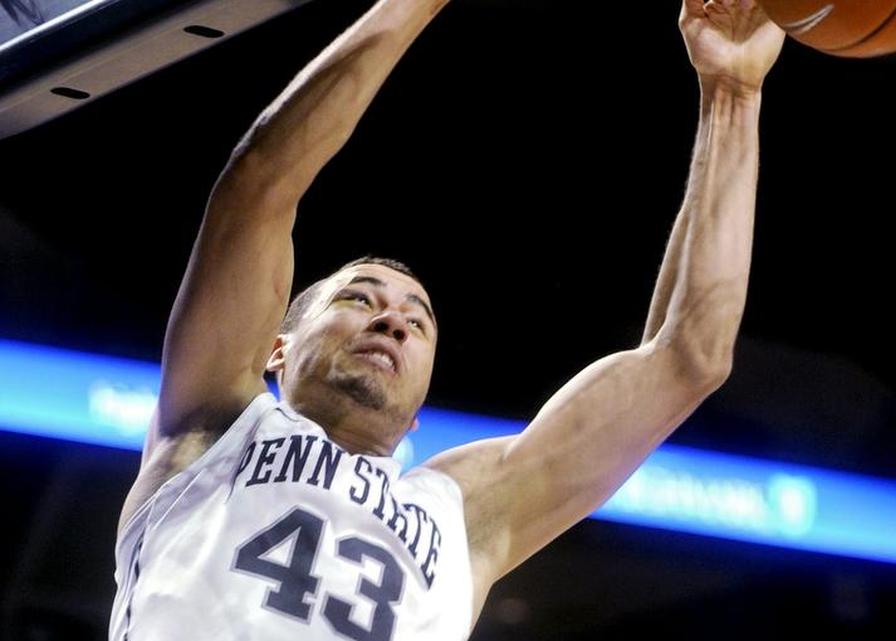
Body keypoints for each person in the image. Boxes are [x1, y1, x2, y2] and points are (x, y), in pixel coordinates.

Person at [108, 0, 785, 638]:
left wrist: (733, 94)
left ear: (416, 419)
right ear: (275, 351)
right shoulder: (216, 424)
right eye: (358, 298)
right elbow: (259, 181)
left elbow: (689, 357)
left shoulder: (461, 512)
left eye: (418, 320)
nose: (392, 321)